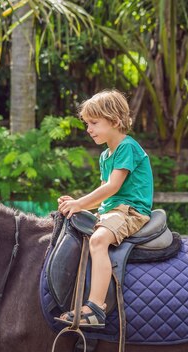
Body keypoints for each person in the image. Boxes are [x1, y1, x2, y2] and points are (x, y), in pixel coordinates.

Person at [56, 89, 154, 328]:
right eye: (87, 123)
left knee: (98, 241)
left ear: (115, 121)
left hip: (130, 210)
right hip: (112, 210)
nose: (88, 129)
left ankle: (96, 308)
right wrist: (77, 206)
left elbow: (113, 187)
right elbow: (103, 196)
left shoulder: (126, 148)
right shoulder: (105, 155)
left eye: (94, 123)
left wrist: (80, 202)